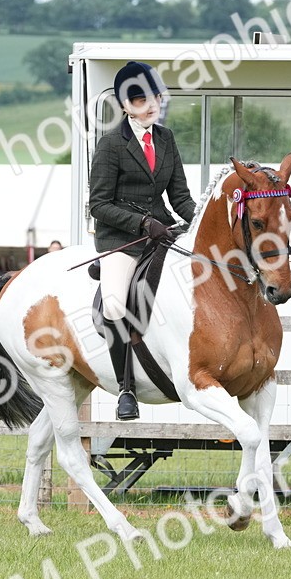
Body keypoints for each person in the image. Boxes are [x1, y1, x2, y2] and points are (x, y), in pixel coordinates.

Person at [88, 60, 196, 420]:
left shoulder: (166, 138)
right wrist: (142, 222)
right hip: (122, 242)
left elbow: (179, 197)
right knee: (115, 305)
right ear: (124, 105)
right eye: (140, 100)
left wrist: (200, 221)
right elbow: (99, 205)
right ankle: (126, 388)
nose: (151, 106)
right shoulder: (110, 145)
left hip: (162, 235)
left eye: (155, 98)